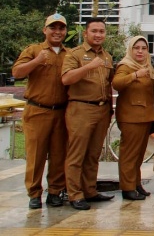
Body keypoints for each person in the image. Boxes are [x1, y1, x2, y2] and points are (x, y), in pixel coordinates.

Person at [12, 13, 69, 209]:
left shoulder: (68, 54)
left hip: (61, 111)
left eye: (61, 28)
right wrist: (36, 61)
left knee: (59, 154)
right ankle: (34, 193)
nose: (57, 32)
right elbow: (17, 72)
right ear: (45, 30)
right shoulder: (34, 50)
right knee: (35, 155)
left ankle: (55, 191)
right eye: (53, 28)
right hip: (37, 110)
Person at [61, 17, 115, 210]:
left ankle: (90, 190)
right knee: (77, 154)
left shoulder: (107, 57)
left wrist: (108, 109)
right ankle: (74, 194)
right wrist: (88, 67)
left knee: (94, 153)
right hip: (81, 108)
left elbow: (108, 84)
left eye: (102, 31)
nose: (98, 34)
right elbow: (66, 79)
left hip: (101, 109)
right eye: (94, 31)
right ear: (85, 33)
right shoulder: (75, 54)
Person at [112, 36, 154, 201]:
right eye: (136, 48)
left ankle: (136, 183)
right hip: (131, 117)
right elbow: (117, 83)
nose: (140, 51)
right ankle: (127, 187)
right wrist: (135, 75)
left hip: (145, 117)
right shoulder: (126, 65)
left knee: (139, 154)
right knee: (129, 154)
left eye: (144, 48)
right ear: (130, 50)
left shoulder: (147, 66)